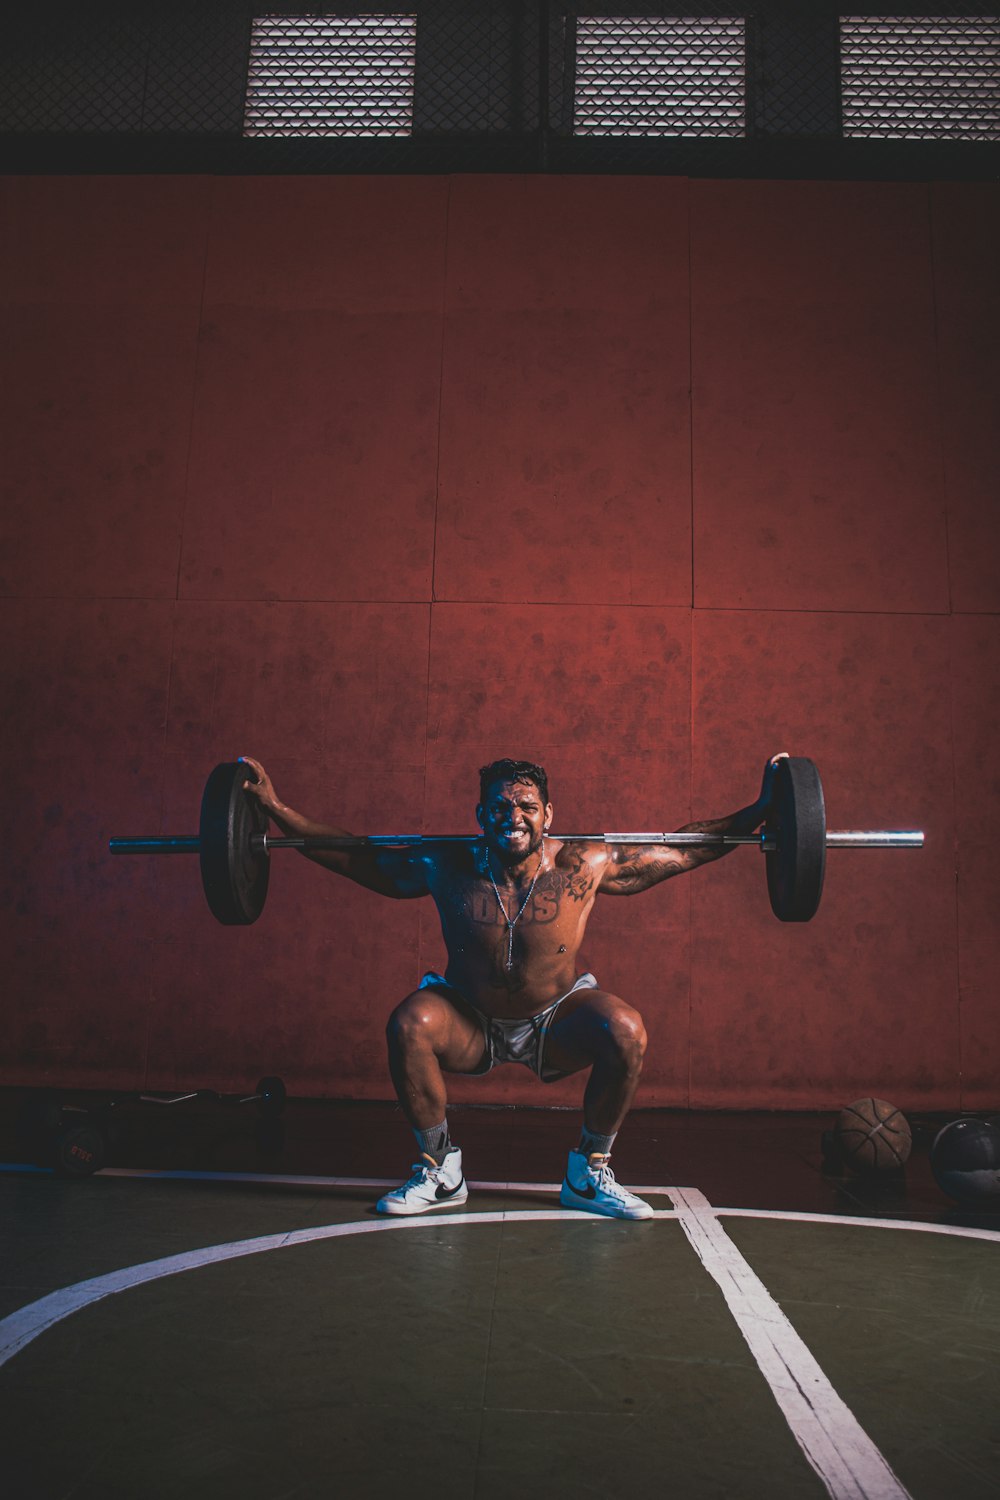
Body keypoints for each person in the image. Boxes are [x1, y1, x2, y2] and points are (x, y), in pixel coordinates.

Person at [240, 752, 788, 1220]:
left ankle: (588, 1174)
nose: (514, 817)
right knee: (409, 1023)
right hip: (468, 1017)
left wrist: (763, 812)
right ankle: (440, 1171)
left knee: (625, 1029)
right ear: (481, 814)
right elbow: (356, 856)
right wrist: (274, 810)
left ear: (549, 813)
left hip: (557, 1018)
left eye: (527, 806)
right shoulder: (446, 864)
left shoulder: (584, 863)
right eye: (501, 807)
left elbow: (684, 850)